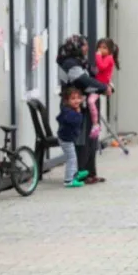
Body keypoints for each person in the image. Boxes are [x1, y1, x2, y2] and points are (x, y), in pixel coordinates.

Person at [56, 34, 111, 185]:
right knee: (82, 140)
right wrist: (103, 87)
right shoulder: (70, 63)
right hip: (73, 107)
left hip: (82, 104)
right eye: (84, 45)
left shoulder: (78, 61)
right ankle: (80, 173)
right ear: (76, 47)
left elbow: (90, 78)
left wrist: (103, 85)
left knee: (91, 139)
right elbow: (83, 81)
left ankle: (90, 173)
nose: (87, 48)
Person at [56, 87, 89, 188]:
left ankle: (74, 174)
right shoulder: (69, 112)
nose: (76, 101)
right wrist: (78, 113)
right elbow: (75, 121)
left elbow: (58, 118)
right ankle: (69, 180)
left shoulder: (68, 110)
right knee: (71, 158)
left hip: (67, 138)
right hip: (66, 139)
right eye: (73, 98)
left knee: (73, 157)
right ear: (67, 101)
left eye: (78, 98)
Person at [88, 38, 119, 139]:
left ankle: (95, 124)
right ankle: (95, 123)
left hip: (101, 84)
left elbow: (101, 67)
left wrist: (97, 55)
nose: (101, 50)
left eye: (104, 48)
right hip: (98, 83)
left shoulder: (109, 58)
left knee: (91, 101)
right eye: (99, 47)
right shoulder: (104, 57)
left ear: (110, 50)